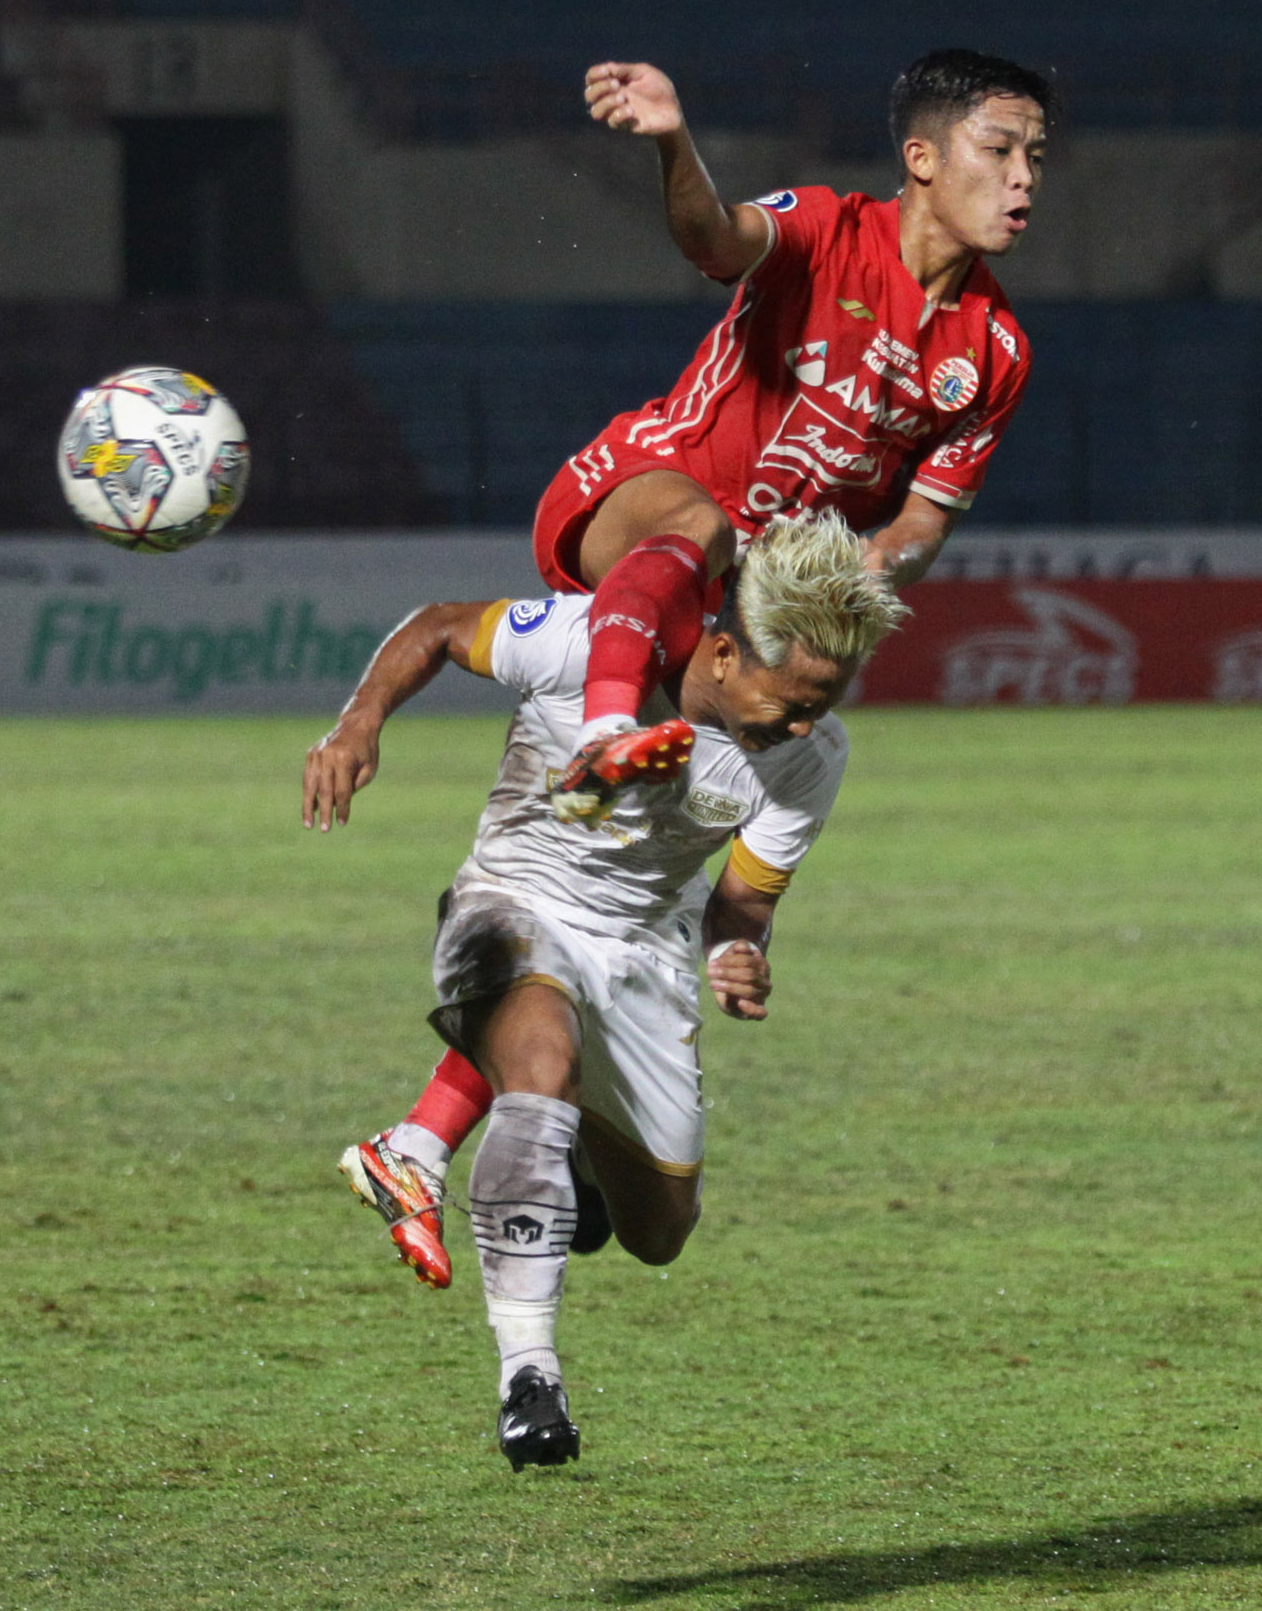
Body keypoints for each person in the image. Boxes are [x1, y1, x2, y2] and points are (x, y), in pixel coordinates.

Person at [305, 512, 906, 1467]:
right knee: (540, 1067)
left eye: (819, 709)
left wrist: (738, 960)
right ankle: (528, 1379)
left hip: (644, 956)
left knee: (660, 1233)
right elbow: (434, 627)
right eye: (790, 702)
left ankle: (519, 1148)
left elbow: (738, 915)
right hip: (509, 906)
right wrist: (361, 719)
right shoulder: (591, 641)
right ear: (719, 651)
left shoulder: (811, 760)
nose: (800, 726)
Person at [546, 47, 1051, 821]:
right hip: (636, 489)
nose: (1024, 177)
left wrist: (876, 564)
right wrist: (673, 140)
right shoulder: (826, 229)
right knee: (701, 526)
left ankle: (726, 940)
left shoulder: (998, 350)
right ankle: (604, 729)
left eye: (1034, 157)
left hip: (746, 594)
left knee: (710, 794)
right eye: (999, 150)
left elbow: (927, 516)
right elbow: (714, 240)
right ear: (921, 158)